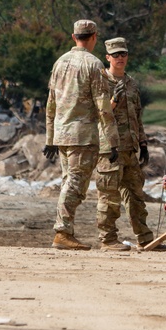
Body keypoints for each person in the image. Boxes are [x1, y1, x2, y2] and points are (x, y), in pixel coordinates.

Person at [43, 20, 119, 250]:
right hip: (83, 135)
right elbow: (104, 107)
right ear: (94, 37)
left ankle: (66, 232)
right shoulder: (94, 65)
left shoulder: (60, 62)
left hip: (62, 133)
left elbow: (51, 103)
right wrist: (112, 141)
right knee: (76, 184)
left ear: (73, 36)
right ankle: (62, 232)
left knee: (69, 181)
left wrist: (49, 138)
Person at [95, 37, 153, 251]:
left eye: (123, 54)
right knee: (109, 197)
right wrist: (112, 102)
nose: (120, 58)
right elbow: (96, 116)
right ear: (107, 57)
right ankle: (108, 239)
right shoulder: (100, 82)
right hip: (109, 149)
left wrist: (143, 143)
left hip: (130, 149)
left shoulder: (132, 83)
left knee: (136, 196)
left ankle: (145, 238)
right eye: (116, 55)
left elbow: (137, 116)